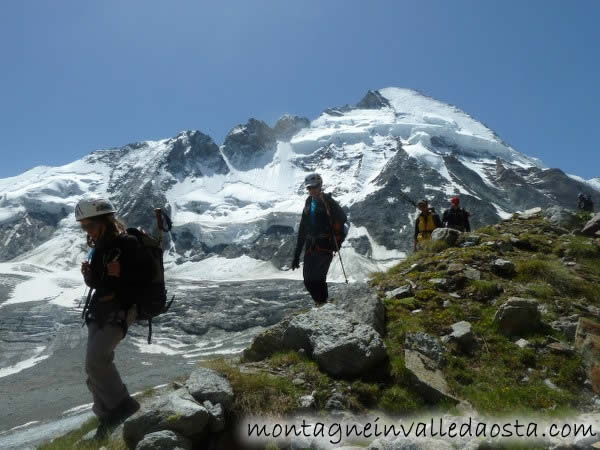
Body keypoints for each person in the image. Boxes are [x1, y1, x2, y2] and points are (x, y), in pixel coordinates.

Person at [76, 198, 148, 438]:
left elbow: (139, 281)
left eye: (89, 225)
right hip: (100, 310)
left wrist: (119, 274)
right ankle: (106, 414)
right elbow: (100, 283)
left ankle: (124, 406)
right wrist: (90, 277)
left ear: (104, 221)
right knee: (92, 365)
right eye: (84, 227)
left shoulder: (127, 243)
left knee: (97, 359)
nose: (87, 231)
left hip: (121, 309)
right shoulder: (99, 247)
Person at [291, 173, 348, 306]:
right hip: (311, 246)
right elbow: (303, 229)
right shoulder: (308, 202)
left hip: (325, 246)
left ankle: (322, 304)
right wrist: (296, 255)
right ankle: (321, 303)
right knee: (308, 280)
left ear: (320, 186)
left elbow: (343, 220)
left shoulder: (329, 202)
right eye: (309, 188)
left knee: (318, 279)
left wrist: (336, 243)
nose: (312, 190)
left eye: (314, 187)